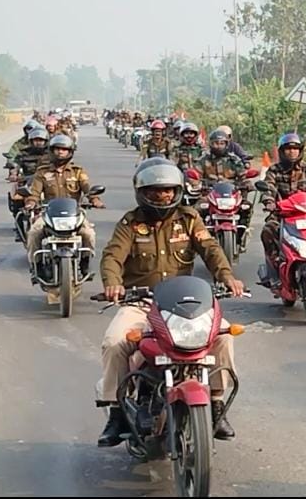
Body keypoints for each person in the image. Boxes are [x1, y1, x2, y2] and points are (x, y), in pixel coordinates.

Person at [96, 159, 246, 447]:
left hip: (184, 304)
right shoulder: (131, 223)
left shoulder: (189, 219)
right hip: (143, 303)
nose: (162, 197)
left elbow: (211, 249)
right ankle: (115, 411)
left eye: (167, 191)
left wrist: (227, 276)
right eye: (155, 191)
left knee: (224, 336)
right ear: (142, 192)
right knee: (115, 342)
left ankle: (216, 404)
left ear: (177, 191)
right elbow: (112, 256)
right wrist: (113, 283)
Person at [23, 134, 103, 303]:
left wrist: (94, 199)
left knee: (89, 234)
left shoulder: (78, 172)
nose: (61, 153)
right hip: (49, 214)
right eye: (58, 149)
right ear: (51, 151)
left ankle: (85, 263)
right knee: (34, 232)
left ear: (70, 152)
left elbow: (87, 188)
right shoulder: (42, 172)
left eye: (64, 150)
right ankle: (36, 266)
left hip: (74, 214)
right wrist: (31, 203)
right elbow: (35, 192)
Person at [258, 132, 306, 289]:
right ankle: (274, 270)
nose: (292, 152)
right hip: (282, 215)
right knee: (268, 231)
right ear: (282, 151)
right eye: (288, 149)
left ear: (300, 151)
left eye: (295, 148)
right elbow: (268, 188)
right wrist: (269, 202)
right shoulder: (274, 170)